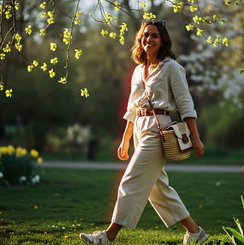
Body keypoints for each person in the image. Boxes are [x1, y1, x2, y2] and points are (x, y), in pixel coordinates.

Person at [79, 19, 208, 245]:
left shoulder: (172, 68)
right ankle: (196, 232)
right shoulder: (138, 70)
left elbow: (186, 105)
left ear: (162, 40)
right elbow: (132, 107)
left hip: (159, 131)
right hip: (139, 128)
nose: (149, 39)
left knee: (130, 181)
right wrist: (126, 139)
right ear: (140, 39)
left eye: (154, 35)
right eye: (146, 35)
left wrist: (195, 138)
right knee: (158, 189)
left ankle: (108, 237)